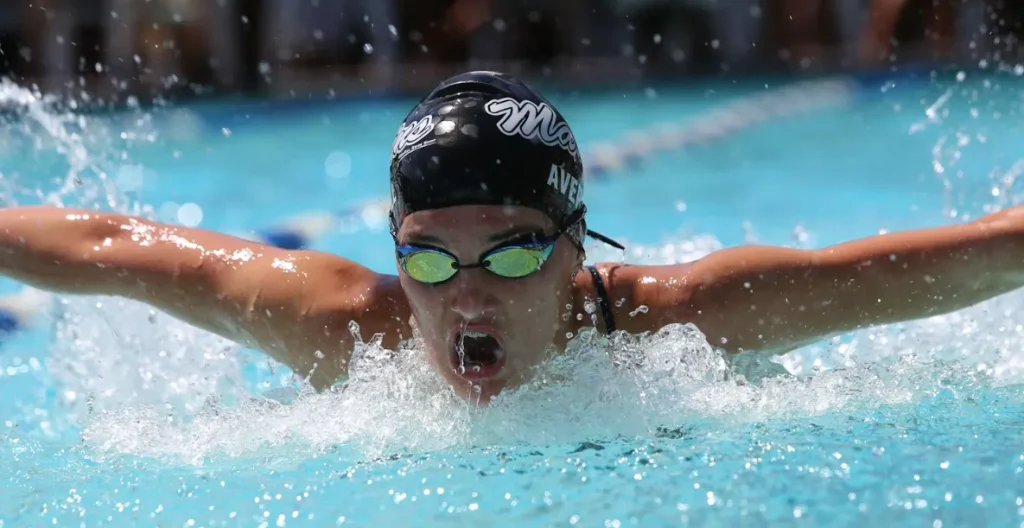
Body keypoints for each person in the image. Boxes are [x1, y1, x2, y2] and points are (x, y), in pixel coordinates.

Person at [0, 71, 1020, 403]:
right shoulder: (349, 330)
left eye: (515, 251)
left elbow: (962, 260)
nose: (467, 296)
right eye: (428, 258)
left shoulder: (682, 323)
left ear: (578, 248)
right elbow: (109, 248)